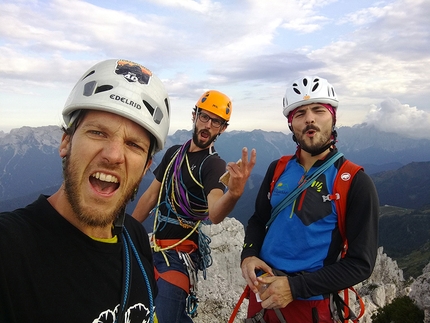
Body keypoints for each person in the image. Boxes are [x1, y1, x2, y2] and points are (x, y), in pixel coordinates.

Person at [0, 59, 171, 323]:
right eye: (98, 133)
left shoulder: (135, 239)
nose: (114, 155)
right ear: (66, 142)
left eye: (133, 145)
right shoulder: (11, 249)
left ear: (146, 167)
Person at [240, 76, 379, 322]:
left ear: (333, 118)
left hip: (311, 307)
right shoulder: (277, 169)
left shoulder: (354, 182)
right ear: (291, 124)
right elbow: (258, 219)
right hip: (262, 298)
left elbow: (360, 264)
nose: (310, 119)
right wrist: (249, 254)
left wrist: (295, 288)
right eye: (300, 113)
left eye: (318, 110)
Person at [132, 90, 256, 323]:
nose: (208, 125)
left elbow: (215, 212)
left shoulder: (213, 165)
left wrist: (234, 194)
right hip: (155, 249)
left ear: (222, 129)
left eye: (216, 121)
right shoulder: (173, 153)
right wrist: (127, 230)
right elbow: (151, 196)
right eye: (204, 117)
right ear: (194, 115)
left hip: (180, 257)